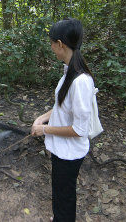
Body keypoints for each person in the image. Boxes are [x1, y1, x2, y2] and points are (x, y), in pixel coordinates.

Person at [31, 18, 95, 222]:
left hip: (70, 153)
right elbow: (62, 106)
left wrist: (45, 130)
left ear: (60, 44)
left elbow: (79, 129)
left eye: (51, 43)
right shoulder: (69, 70)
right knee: (60, 193)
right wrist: (42, 118)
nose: (51, 47)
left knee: (65, 196)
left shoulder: (81, 81)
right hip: (62, 150)